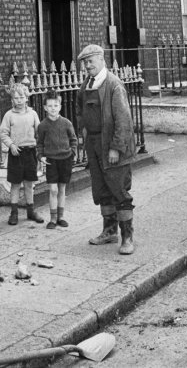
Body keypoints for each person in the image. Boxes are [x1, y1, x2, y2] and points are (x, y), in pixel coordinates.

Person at [76, 44, 136, 255]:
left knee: (119, 191)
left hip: (112, 148)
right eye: (85, 62)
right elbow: (80, 112)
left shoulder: (114, 85)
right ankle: (109, 231)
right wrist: (83, 131)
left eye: (91, 61)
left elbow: (124, 120)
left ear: (102, 60)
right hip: (94, 147)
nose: (88, 66)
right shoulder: (86, 85)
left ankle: (127, 237)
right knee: (102, 191)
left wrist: (116, 148)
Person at [0, 82, 44, 225]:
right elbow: (3, 133)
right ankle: (14, 213)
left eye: (21, 97)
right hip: (16, 153)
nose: (19, 100)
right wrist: (11, 145)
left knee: (29, 183)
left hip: (30, 152)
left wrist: (41, 148)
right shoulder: (9, 115)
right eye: (15, 98)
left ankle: (31, 210)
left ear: (26, 98)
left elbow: (40, 132)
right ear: (12, 99)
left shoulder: (33, 114)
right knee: (15, 184)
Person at [37, 91, 77, 229]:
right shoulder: (43, 125)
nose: (53, 108)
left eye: (56, 105)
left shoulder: (66, 123)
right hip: (51, 161)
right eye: (50, 105)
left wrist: (72, 152)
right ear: (45, 108)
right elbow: (40, 143)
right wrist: (41, 156)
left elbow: (73, 139)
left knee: (62, 189)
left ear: (60, 106)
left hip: (65, 159)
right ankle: (53, 219)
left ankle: (61, 217)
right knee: (53, 189)